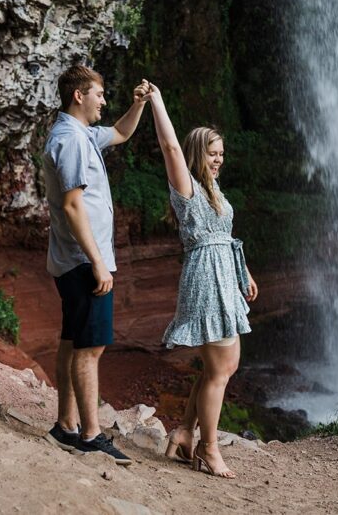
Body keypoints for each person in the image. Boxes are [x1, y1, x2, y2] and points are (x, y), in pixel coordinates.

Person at [143, 81, 259, 478]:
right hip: (207, 280)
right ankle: (209, 449)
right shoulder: (187, 186)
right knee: (223, 367)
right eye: (212, 153)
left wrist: (244, 272)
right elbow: (170, 147)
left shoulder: (214, 188)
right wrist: (157, 101)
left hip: (224, 276)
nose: (219, 160)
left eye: (222, 153)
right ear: (196, 154)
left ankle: (184, 433)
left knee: (218, 368)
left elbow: (223, 235)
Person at [42, 65, 150, 465]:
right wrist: (98, 263)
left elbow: (120, 133)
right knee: (91, 348)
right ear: (78, 96)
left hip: (77, 260)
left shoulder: (82, 134)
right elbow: (72, 205)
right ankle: (90, 435)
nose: (105, 101)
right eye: (99, 94)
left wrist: (138, 105)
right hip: (84, 262)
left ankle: (65, 426)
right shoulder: (69, 140)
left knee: (73, 340)